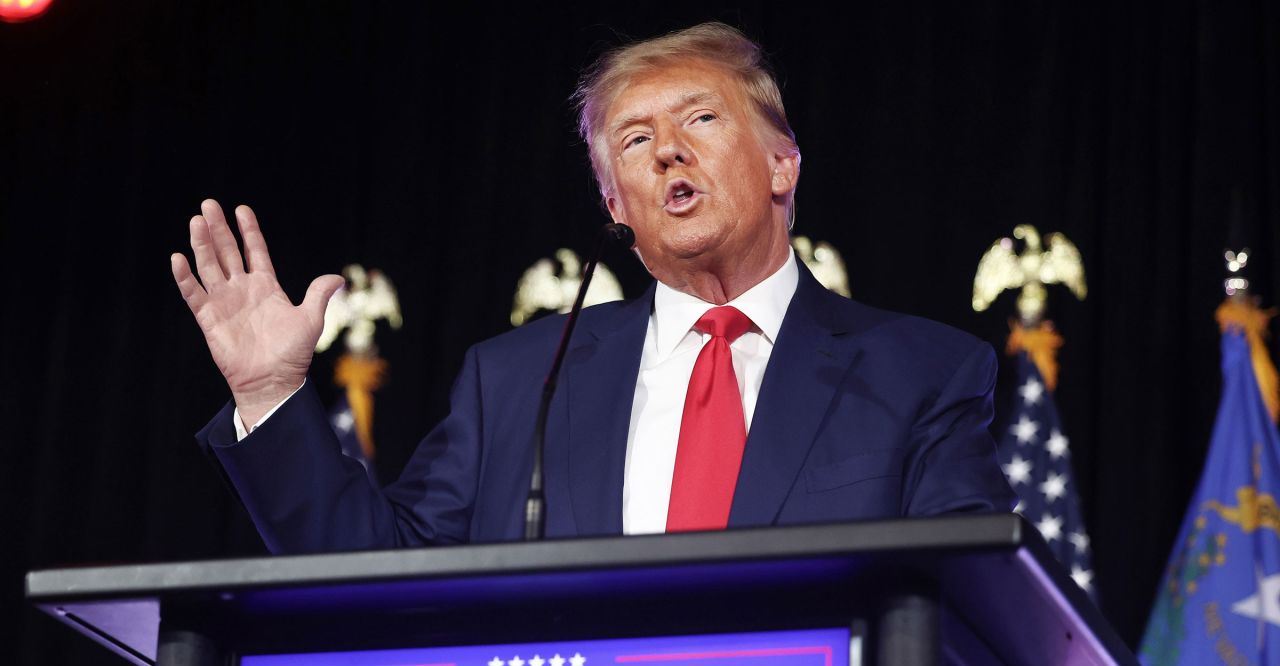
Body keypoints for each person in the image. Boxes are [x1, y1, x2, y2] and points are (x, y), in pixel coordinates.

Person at [171, 23, 1015, 554]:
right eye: (635, 139)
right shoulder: (517, 383)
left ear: (783, 165)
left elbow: (965, 602)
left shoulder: (921, 371)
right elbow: (374, 570)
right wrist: (271, 393)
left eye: (702, 119)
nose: (667, 152)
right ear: (616, 204)